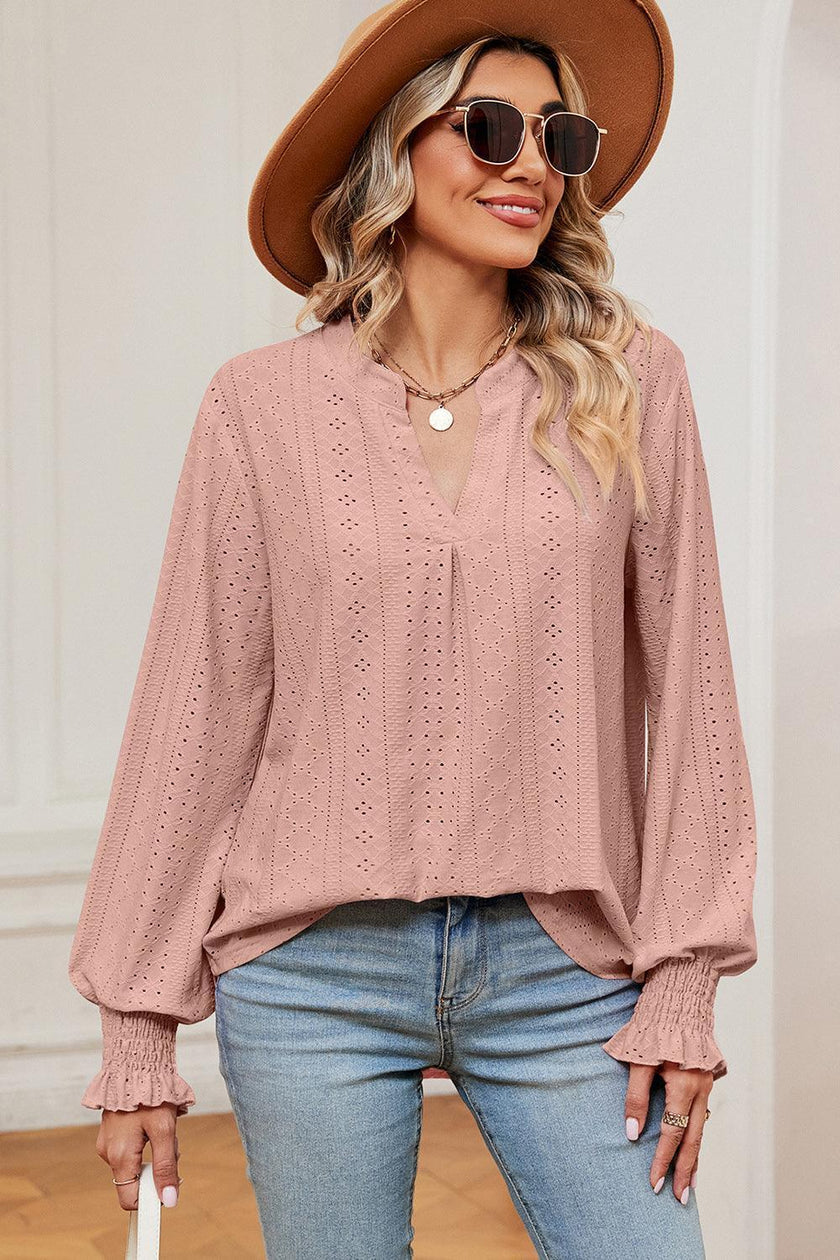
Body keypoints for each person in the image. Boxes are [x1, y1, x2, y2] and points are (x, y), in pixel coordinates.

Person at [68, 2, 759, 1256]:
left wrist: (685, 983)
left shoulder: (630, 382)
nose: (530, 163)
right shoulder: (259, 409)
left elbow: (693, 690)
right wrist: (136, 1030)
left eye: (559, 137)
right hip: (312, 978)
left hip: (565, 970)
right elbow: (196, 712)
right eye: (488, 128)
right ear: (395, 148)